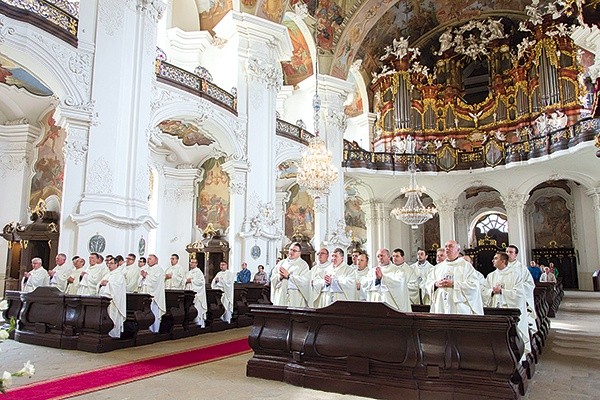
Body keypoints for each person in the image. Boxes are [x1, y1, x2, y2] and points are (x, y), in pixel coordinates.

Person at [482, 252, 531, 359]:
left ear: (503, 261)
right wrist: (492, 291)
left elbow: (519, 294)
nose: (492, 260)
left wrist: (502, 292)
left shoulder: (515, 275)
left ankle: (516, 356)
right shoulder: (491, 276)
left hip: (510, 312)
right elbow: (483, 291)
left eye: (495, 258)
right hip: (495, 310)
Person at [426, 240, 483, 315]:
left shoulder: (466, 266)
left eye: (450, 246)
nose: (447, 248)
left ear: (458, 250)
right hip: (441, 306)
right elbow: (428, 283)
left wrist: (453, 284)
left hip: (459, 307)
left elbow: (473, 286)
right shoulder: (437, 268)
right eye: (446, 246)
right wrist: (436, 284)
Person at [506, 245, 538, 334]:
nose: (508, 254)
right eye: (507, 251)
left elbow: (530, 284)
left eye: (511, 252)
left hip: (518, 300)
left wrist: (517, 288)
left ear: (516, 255)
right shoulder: (502, 267)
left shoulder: (521, 268)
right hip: (505, 298)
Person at [270, 242, 311, 307]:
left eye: (294, 251)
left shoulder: (303, 265)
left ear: (299, 253)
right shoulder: (281, 263)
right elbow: (273, 278)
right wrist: (279, 277)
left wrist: (289, 276)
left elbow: (305, 282)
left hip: (295, 298)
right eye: (290, 249)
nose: (291, 252)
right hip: (281, 296)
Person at [98, 258, 127, 338]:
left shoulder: (119, 275)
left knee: (113, 317)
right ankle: (105, 334)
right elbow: (99, 284)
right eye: (108, 263)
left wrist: (108, 284)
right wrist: (100, 284)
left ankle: (113, 336)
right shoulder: (107, 274)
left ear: (116, 264)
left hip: (114, 302)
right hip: (104, 300)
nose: (109, 265)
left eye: (111, 263)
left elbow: (117, 287)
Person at [140, 254, 166, 333]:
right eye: (148, 259)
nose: (148, 260)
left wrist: (146, 276)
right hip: (145, 294)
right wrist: (142, 277)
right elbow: (141, 281)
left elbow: (156, 281)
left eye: (150, 259)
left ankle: (154, 330)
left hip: (154, 296)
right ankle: (146, 329)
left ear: (156, 260)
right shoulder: (147, 269)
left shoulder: (159, 269)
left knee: (154, 312)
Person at [185, 258, 207, 327]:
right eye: (191, 262)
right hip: (189, 293)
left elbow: (201, 282)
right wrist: (186, 281)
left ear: (196, 264)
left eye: (193, 262)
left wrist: (192, 281)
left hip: (197, 295)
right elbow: (184, 281)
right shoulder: (188, 272)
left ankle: (199, 323)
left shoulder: (199, 272)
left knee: (197, 308)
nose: (191, 264)